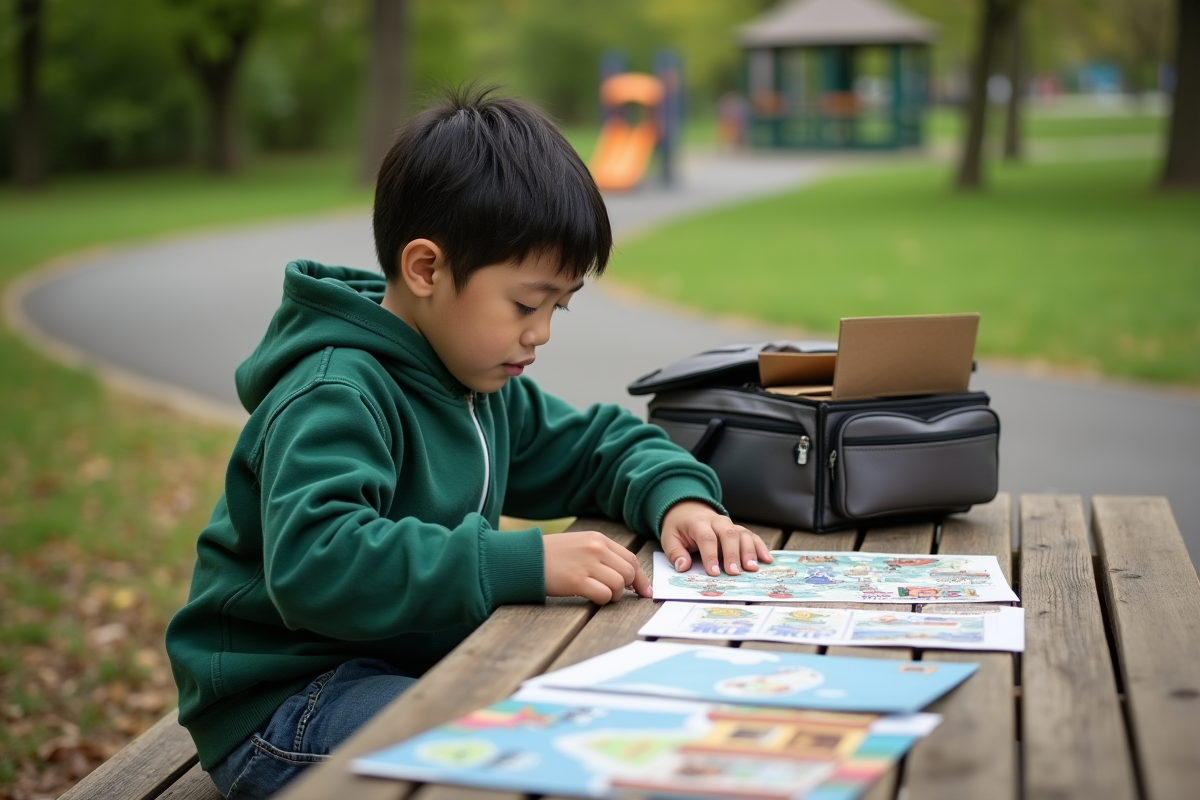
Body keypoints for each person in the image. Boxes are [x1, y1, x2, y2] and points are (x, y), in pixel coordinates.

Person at [165, 86, 771, 800]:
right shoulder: (335, 392)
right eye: (525, 303)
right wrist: (520, 560)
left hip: (402, 670)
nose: (540, 332)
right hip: (287, 703)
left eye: (558, 309)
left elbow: (596, 446)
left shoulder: (477, 380)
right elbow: (317, 562)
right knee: (513, 754)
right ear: (426, 269)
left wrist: (676, 499)